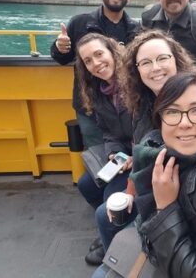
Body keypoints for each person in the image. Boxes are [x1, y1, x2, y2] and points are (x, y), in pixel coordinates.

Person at [94, 70, 196, 278]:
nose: (184, 123)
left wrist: (165, 207)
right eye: (172, 112)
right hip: (161, 249)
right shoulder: (162, 154)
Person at [51, 0, 139, 148]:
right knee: (97, 154)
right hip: (89, 108)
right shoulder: (80, 23)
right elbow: (63, 58)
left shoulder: (137, 30)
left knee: (128, 152)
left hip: (125, 109)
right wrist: (60, 48)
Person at [74, 33, 133, 265]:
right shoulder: (98, 91)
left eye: (99, 54)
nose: (96, 63)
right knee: (86, 185)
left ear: (112, 52)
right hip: (122, 155)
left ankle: (113, 245)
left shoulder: (136, 83)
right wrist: (113, 152)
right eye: (88, 61)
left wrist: (134, 158)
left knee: (108, 202)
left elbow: (152, 129)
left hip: (143, 155)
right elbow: (108, 131)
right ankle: (110, 229)